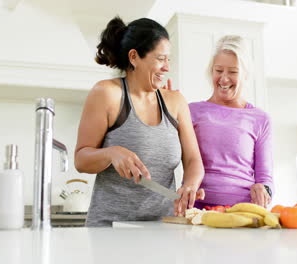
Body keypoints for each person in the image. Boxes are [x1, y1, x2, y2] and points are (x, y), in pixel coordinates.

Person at [74, 16, 204, 227]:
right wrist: (111, 152)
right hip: (110, 230)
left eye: (168, 59)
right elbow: (81, 159)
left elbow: (193, 161)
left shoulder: (176, 102)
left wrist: (189, 185)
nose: (167, 67)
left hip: (163, 228)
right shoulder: (107, 93)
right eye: (161, 59)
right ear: (134, 57)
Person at [188, 35, 273, 209]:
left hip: (243, 212)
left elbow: (266, 179)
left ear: (246, 75)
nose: (224, 79)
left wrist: (264, 190)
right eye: (218, 71)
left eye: (233, 72)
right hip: (197, 210)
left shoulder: (261, 119)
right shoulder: (191, 111)